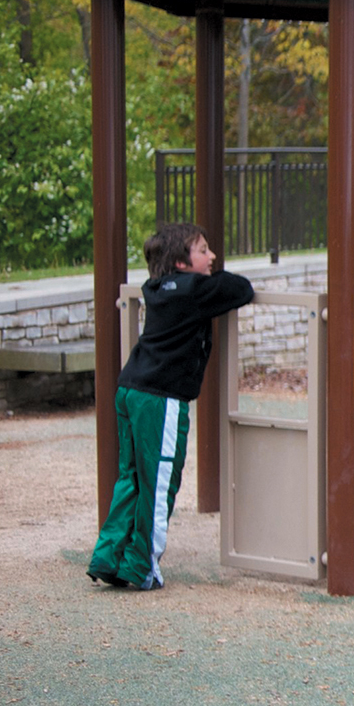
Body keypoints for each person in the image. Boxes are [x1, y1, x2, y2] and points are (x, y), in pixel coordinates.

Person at [88, 223, 255, 589]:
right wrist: (216, 277)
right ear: (181, 262)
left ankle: (108, 556)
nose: (211, 257)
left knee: (130, 478)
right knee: (159, 482)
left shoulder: (155, 288)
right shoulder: (194, 290)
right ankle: (141, 566)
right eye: (203, 250)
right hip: (160, 398)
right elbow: (240, 289)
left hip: (130, 388)